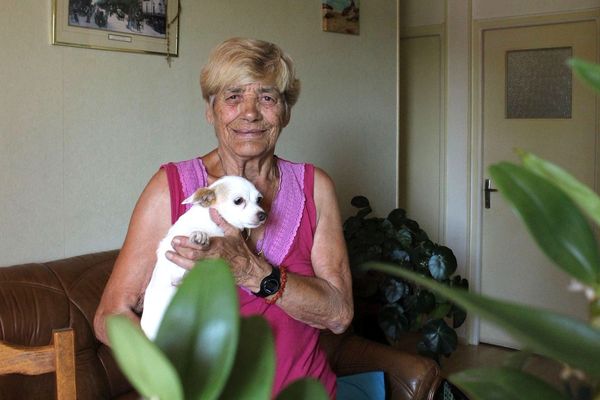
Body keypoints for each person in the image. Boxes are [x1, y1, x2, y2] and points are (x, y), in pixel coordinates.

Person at [94, 37, 353, 398]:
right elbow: (111, 315)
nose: (249, 112)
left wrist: (253, 272)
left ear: (286, 112)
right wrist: (168, 380)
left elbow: (339, 315)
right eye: (233, 97)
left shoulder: (315, 188)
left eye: (266, 97)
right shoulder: (171, 188)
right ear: (210, 110)